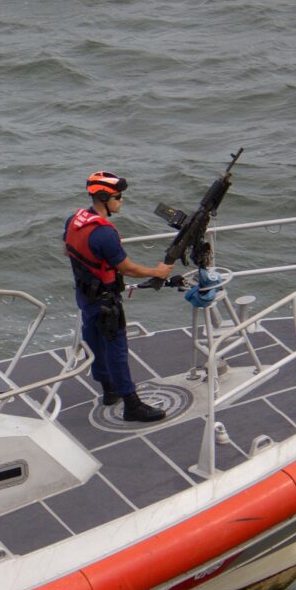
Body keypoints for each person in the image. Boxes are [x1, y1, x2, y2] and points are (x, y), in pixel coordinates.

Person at [64, 171, 175, 423]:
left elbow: (66, 249)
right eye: (118, 196)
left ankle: (108, 391)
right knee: (116, 349)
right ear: (104, 198)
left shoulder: (74, 220)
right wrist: (157, 271)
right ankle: (131, 404)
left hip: (84, 296)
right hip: (106, 300)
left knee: (93, 339)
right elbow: (127, 268)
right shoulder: (105, 233)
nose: (121, 201)